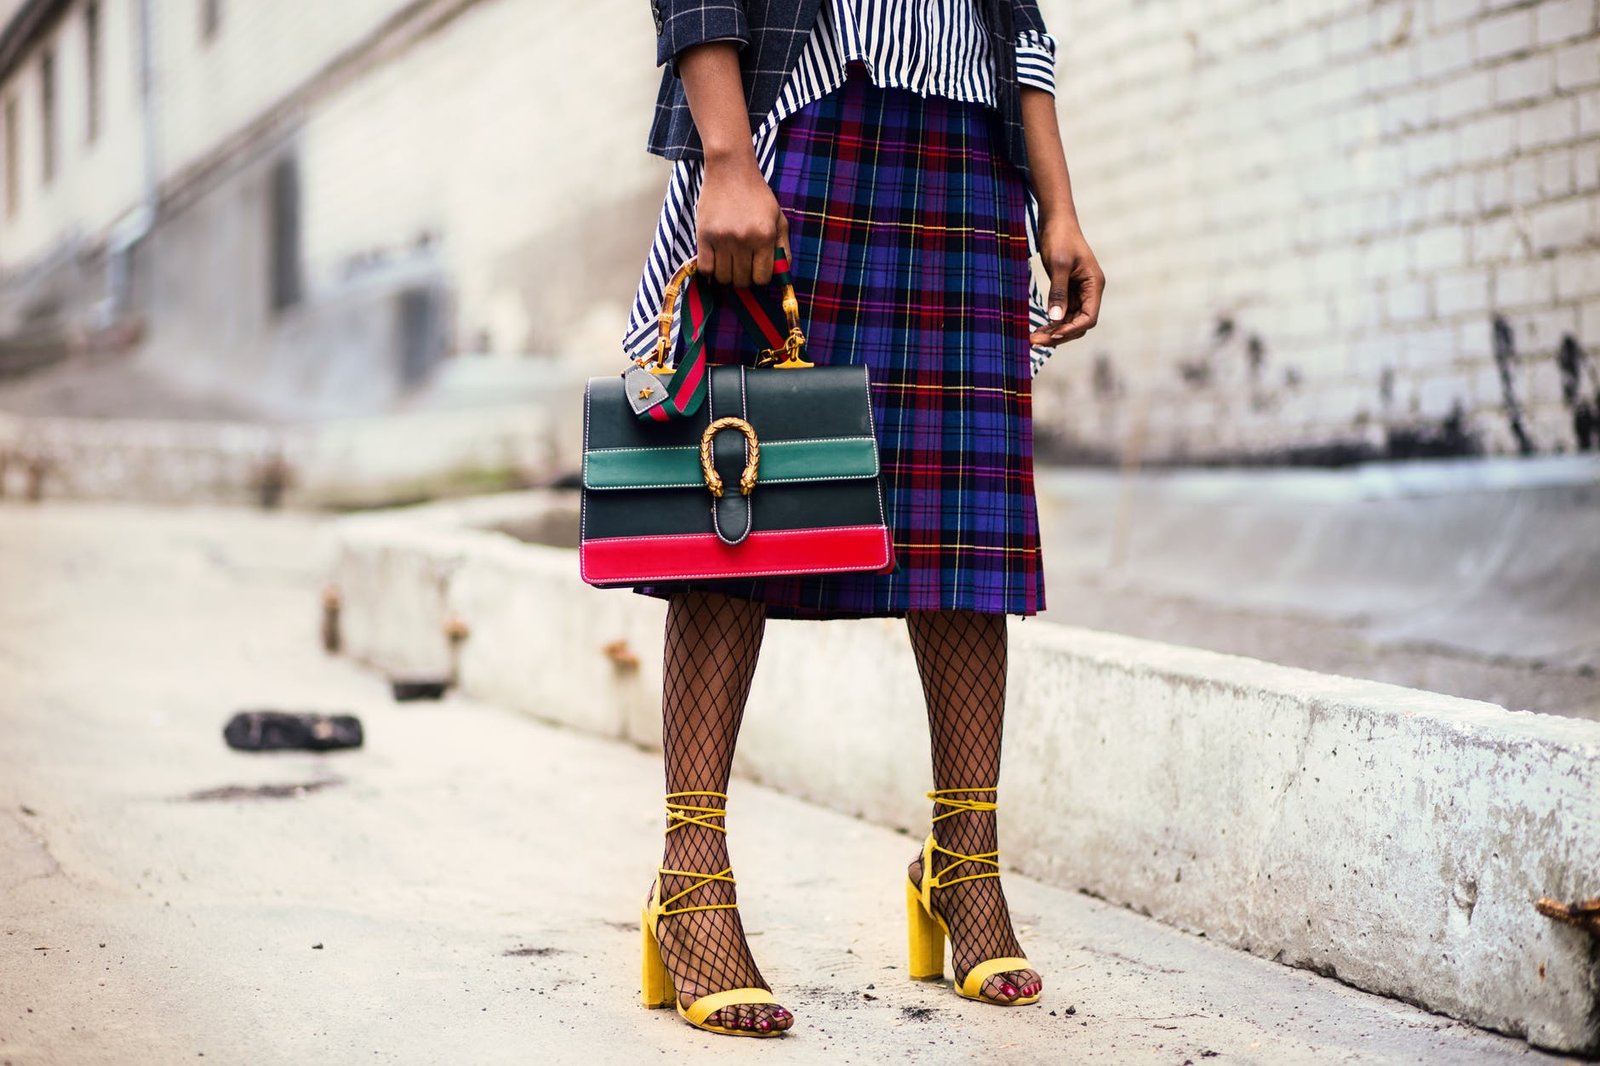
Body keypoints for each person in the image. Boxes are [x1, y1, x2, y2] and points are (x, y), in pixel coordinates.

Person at [629, 0, 1104, 1038]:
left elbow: (1016, 17)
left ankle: (963, 868)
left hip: (972, 151)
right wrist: (724, 152)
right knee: (738, 497)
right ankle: (690, 880)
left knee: (962, 526)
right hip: (803, 123)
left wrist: (1056, 204)